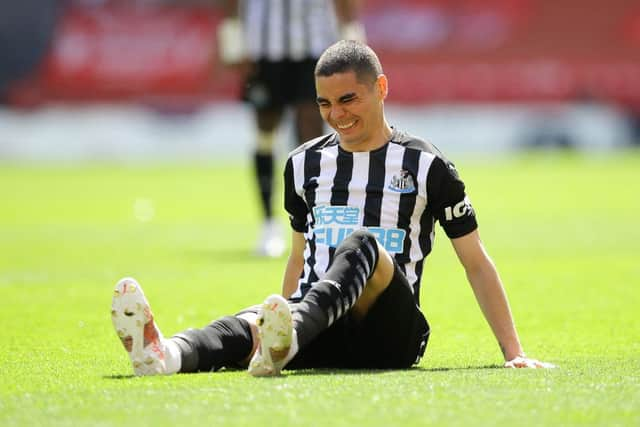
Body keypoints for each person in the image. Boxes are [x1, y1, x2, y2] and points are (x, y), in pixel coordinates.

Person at [111, 41, 554, 377]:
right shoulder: (303, 163)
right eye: (324, 103)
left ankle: (288, 339)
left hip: (390, 336)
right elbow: (300, 256)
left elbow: (475, 262)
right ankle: (163, 354)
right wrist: (276, 315)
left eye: (348, 100)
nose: (336, 114)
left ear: (380, 89)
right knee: (245, 326)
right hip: (317, 323)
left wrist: (513, 352)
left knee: (360, 243)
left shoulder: (427, 165)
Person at [217, 0, 366, 257]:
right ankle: (268, 225)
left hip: (315, 48)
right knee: (265, 131)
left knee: (312, 135)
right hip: (264, 48)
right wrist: (233, 39)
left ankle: (315, 223)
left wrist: (351, 38)